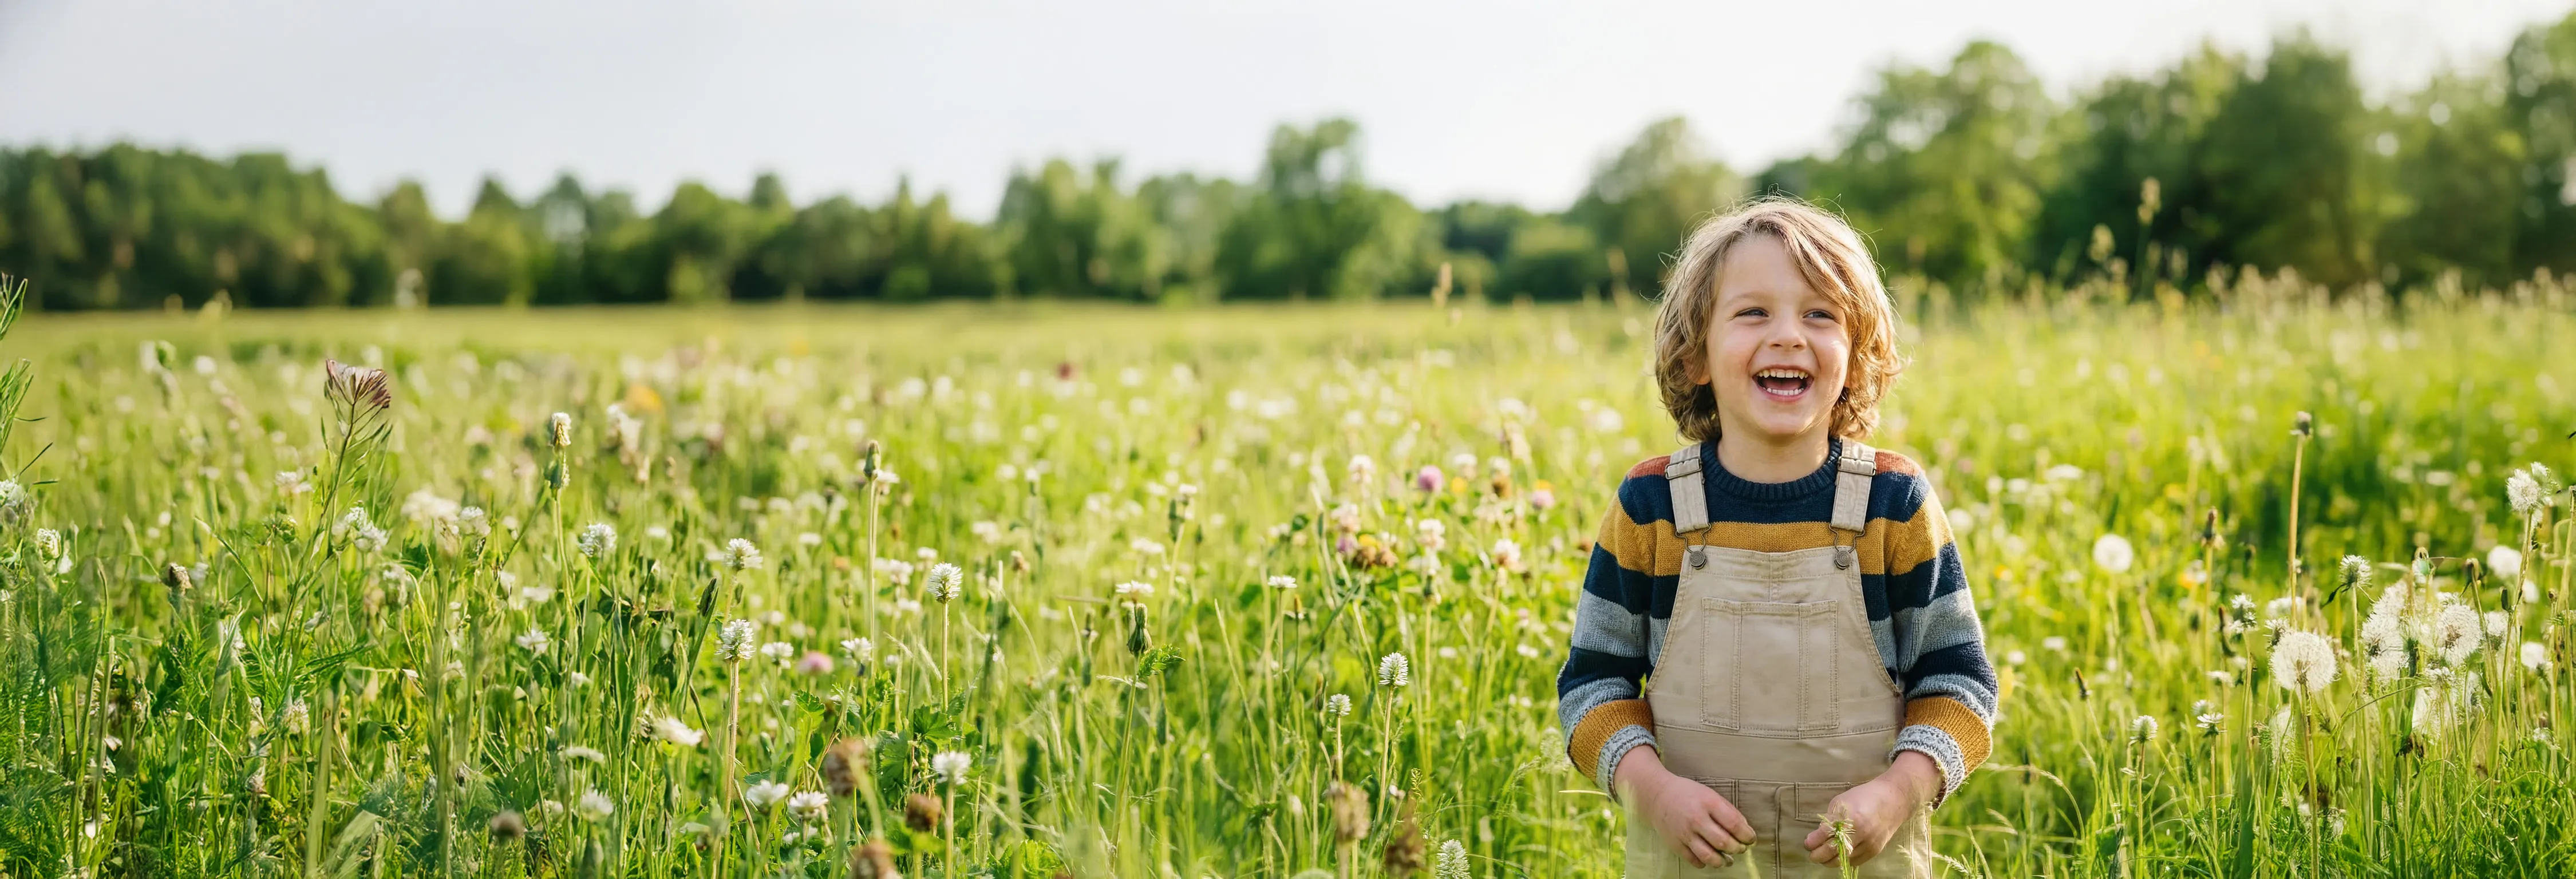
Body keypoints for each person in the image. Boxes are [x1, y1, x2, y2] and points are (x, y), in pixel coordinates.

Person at [1554, 199, 1997, 877]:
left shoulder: (1893, 504)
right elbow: (1594, 686)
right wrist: (1653, 790)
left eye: (1820, 314)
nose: (1789, 335)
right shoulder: (1651, 509)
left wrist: (1899, 791)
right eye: (1753, 312)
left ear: (1856, 355)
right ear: (1695, 353)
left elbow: (1958, 681)